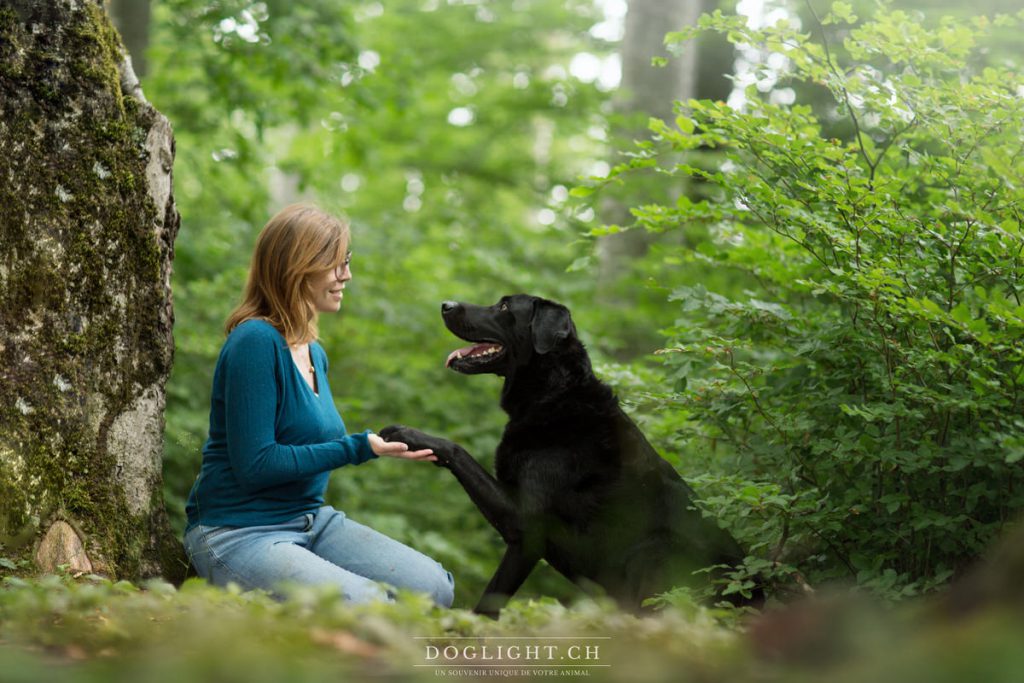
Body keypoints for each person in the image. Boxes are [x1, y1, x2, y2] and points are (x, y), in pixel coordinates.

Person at [182, 203, 454, 607]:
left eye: (346, 262)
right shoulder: (255, 342)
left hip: (312, 522)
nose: (346, 275)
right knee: (373, 610)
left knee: (433, 589)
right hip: (238, 531)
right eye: (333, 264)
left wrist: (373, 446)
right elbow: (256, 465)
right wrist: (359, 447)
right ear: (296, 268)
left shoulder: (313, 352)